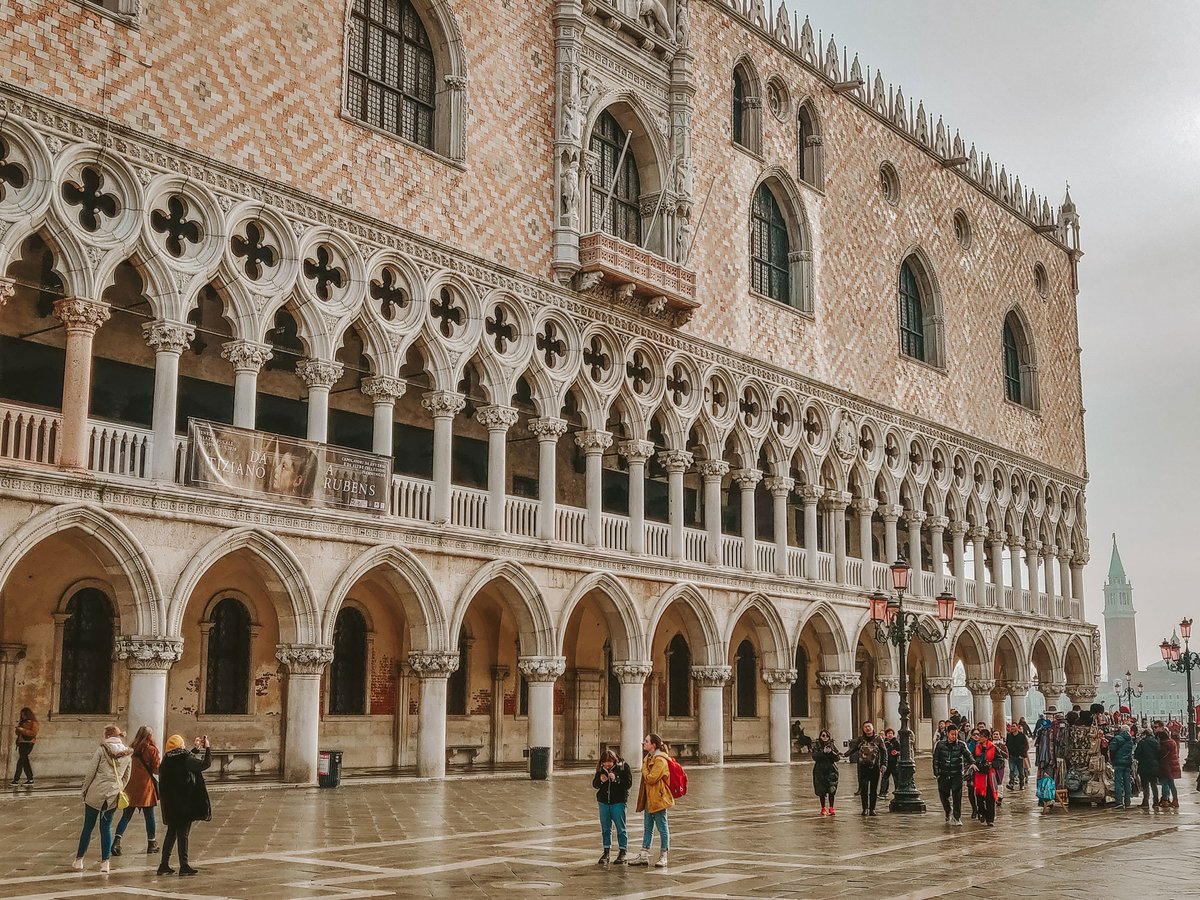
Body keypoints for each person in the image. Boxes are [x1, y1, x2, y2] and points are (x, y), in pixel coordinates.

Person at [74, 725, 133, 873]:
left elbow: (90, 772)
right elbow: (126, 776)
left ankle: (79, 860)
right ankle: (105, 863)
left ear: (107, 735)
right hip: (113, 795)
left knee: (88, 826)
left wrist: (84, 790)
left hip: (96, 792)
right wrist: (118, 788)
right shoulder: (127, 754)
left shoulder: (101, 750)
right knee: (106, 827)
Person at [157, 734, 212, 876]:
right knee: (183, 834)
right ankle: (184, 865)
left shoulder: (166, 760)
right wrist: (208, 748)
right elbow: (204, 764)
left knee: (171, 834)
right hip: (184, 804)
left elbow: (184, 759)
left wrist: (195, 748)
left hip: (171, 804)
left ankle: (164, 864)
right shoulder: (185, 759)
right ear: (181, 745)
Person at [113, 726, 160, 855]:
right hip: (145, 787)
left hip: (131, 786)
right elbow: (156, 770)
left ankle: (116, 842)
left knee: (126, 816)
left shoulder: (131, 750)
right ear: (149, 736)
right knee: (149, 816)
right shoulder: (151, 750)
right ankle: (152, 843)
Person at [628, 734, 673, 868]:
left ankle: (664, 856)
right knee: (648, 828)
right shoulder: (649, 758)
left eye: (646, 741)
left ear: (653, 745)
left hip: (659, 799)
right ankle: (644, 855)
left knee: (662, 828)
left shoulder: (660, 760)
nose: (643, 743)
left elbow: (651, 778)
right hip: (649, 798)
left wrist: (644, 767)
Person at [592, 749, 632, 865]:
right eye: (605, 762)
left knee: (621, 827)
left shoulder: (623, 767)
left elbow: (628, 784)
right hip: (603, 801)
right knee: (605, 828)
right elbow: (595, 784)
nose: (607, 764)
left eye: (609, 762)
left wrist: (616, 779)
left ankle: (623, 851)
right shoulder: (601, 769)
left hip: (618, 801)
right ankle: (606, 851)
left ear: (614, 760)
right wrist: (600, 780)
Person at [932, 722, 971, 825]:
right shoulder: (940, 745)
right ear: (947, 734)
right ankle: (948, 810)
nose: (954, 736)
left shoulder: (961, 745)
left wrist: (973, 763)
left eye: (956, 734)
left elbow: (968, 755)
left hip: (956, 773)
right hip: (943, 774)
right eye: (952, 734)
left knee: (957, 797)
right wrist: (937, 772)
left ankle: (957, 817)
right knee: (944, 796)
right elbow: (935, 759)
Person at [846, 722, 887, 816]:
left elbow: (884, 752)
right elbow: (853, 749)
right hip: (863, 767)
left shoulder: (878, 739)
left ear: (873, 728)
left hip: (875, 767)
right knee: (864, 789)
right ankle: (865, 809)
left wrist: (884, 764)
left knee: (873, 789)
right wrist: (844, 755)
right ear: (863, 729)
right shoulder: (861, 739)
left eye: (869, 726)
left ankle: (872, 809)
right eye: (865, 727)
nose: (867, 728)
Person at [970, 730, 1000, 826]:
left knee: (990, 798)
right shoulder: (976, 748)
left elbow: (1000, 761)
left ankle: (990, 819)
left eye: (982, 736)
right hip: (979, 775)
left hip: (989, 776)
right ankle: (982, 812)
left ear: (986, 737)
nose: (979, 738)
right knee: (979, 797)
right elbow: (971, 759)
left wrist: (992, 764)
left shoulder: (993, 748)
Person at [811, 730, 840, 816]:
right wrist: (823, 753)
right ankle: (823, 807)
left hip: (831, 770)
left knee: (832, 789)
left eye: (827, 736)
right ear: (820, 736)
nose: (825, 737)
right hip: (820, 770)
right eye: (823, 736)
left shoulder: (832, 745)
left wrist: (831, 753)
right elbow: (815, 757)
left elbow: (837, 758)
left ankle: (831, 807)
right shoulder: (816, 746)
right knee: (821, 791)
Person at [1108, 723, 1134, 809]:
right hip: (1127, 763)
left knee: (1118, 782)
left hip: (1118, 763)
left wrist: (1112, 759)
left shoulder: (1117, 738)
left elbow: (1112, 750)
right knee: (1127, 782)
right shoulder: (1130, 740)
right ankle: (1127, 802)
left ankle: (1119, 802)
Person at [11, 707, 38, 785]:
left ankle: (16, 780)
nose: (22, 716)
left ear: (28, 714)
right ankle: (30, 779)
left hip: (29, 743)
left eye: (24, 715)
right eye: (22, 715)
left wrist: (23, 730)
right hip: (21, 743)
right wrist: (18, 729)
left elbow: (33, 733)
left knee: (21, 761)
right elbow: (17, 733)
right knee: (24, 761)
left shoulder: (34, 722)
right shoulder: (22, 722)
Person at [1157, 726, 1181, 809]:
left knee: (1165, 783)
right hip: (1173, 765)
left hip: (1166, 766)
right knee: (1171, 784)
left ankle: (1165, 800)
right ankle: (1175, 800)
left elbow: (1160, 755)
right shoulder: (1172, 742)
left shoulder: (1164, 745)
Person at [1005, 722, 1029, 790]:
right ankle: (1011, 783)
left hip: (1019, 756)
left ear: (1017, 727)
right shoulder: (1009, 735)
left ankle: (1022, 784)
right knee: (1011, 770)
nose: (1012, 728)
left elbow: (1025, 746)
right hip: (1012, 756)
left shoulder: (1022, 736)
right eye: (1011, 726)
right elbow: (1007, 745)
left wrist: (1022, 755)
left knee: (1021, 771)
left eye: (1013, 726)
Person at [879, 728, 900, 798]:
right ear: (886, 735)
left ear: (893, 734)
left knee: (896, 779)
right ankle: (883, 792)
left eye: (891, 733)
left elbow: (901, 751)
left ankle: (898, 792)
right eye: (888, 733)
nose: (889, 735)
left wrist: (897, 753)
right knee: (885, 778)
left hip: (894, 763)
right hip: (887, 763)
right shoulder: (884, 743)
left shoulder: (896, 742)